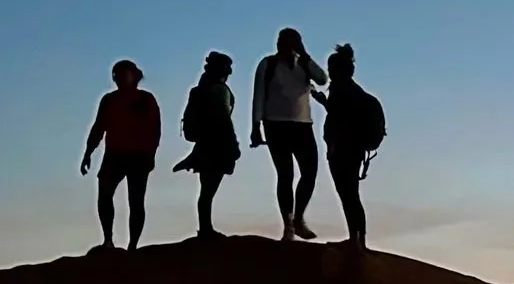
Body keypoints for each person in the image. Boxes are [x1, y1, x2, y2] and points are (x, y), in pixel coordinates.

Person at [251, 27, 328, 240]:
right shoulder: (268, 64)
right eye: (283, 41)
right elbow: (258, 95)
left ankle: (299, 218)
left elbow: (323, 79)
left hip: (303, 125)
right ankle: (288, 226)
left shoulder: (304, 64)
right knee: (285, 175)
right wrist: (256, 126)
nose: (284, 46)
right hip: (276, 125)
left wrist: (304, 55)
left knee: (309, 173)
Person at [79, 59, 161, 250]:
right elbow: (99, 127)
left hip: (139, 156)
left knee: (136, 201)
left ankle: (133, 245)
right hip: (115, 155)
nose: (118, 77)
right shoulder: (109, 100)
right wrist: (88, 152)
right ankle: (108, 240)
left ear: (133, 75)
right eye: (116, 74)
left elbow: (154, 129)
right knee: (105, 194)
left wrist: (150, 153)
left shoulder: (146, 99)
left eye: (123, 73)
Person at [312, 43, 386, 249]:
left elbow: (339, 118)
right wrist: (324, 102)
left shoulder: (341, 90)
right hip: (353, 150)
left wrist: (334, 145)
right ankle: (358, 240)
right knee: (351, 195)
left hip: (343, 151)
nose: (329, 72)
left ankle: (356, 241)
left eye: (331, 68)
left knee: (348, 195)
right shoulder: (352, 90)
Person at [170, 51, 239, 237]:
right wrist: (234, 146)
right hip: (217, 145)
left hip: (204, 144)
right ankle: (206, 229)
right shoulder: (219, 90)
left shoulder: (202, 88)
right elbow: (223, 119)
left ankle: (205, 227)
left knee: (206, 191)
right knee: (208, 191)